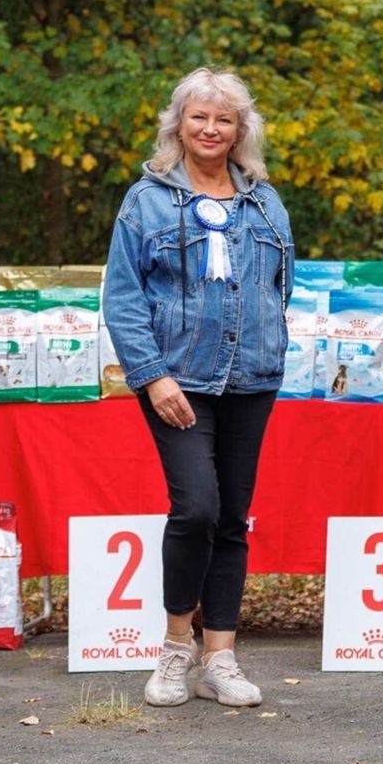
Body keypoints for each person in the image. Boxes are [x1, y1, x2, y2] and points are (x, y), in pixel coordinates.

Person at [103, 67, 293, 709]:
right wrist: (152, 377)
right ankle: (174, 649)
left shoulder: (266, 201)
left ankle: (221, 658)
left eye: (224, 119)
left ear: (241, 131)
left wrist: (269, 347)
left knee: (233, 520)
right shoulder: (146, 200)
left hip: (253, 381)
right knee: (197, 509)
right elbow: (123, 298)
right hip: (177, 382)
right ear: (178, 125)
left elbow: (278, 289)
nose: (211, 129)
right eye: (199, 117)